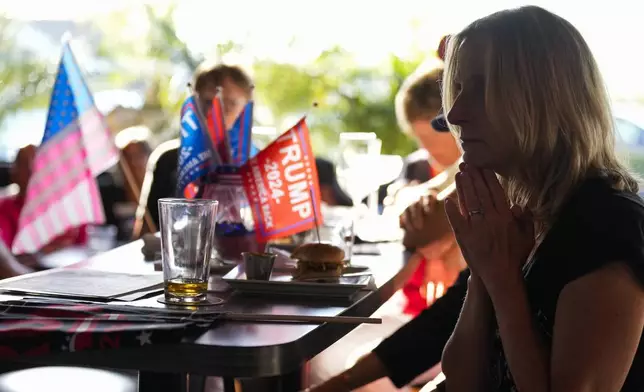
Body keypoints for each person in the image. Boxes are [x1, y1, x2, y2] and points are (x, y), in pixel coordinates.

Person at [436, 6, 644, 391]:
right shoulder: (523, 215)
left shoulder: (608, 229)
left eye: (482, 89)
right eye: (459, 88)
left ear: (546, 98)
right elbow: (462, 378)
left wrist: (503, 280)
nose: (455, 112)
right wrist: (484, 273)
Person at [144, 64, 253, 228]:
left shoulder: (257, 162)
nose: (217, 112)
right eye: (209, 102)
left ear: (246, 106)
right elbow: (147, 227)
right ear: (195, 102)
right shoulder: (170, 159)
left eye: (230, 103)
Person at [0, 145, 87, 254]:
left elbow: (83, 247)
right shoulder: (5, 209)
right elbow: (5, 256)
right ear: (14, 174)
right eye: (27, 166)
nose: (35, 172)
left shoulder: (69, 207)